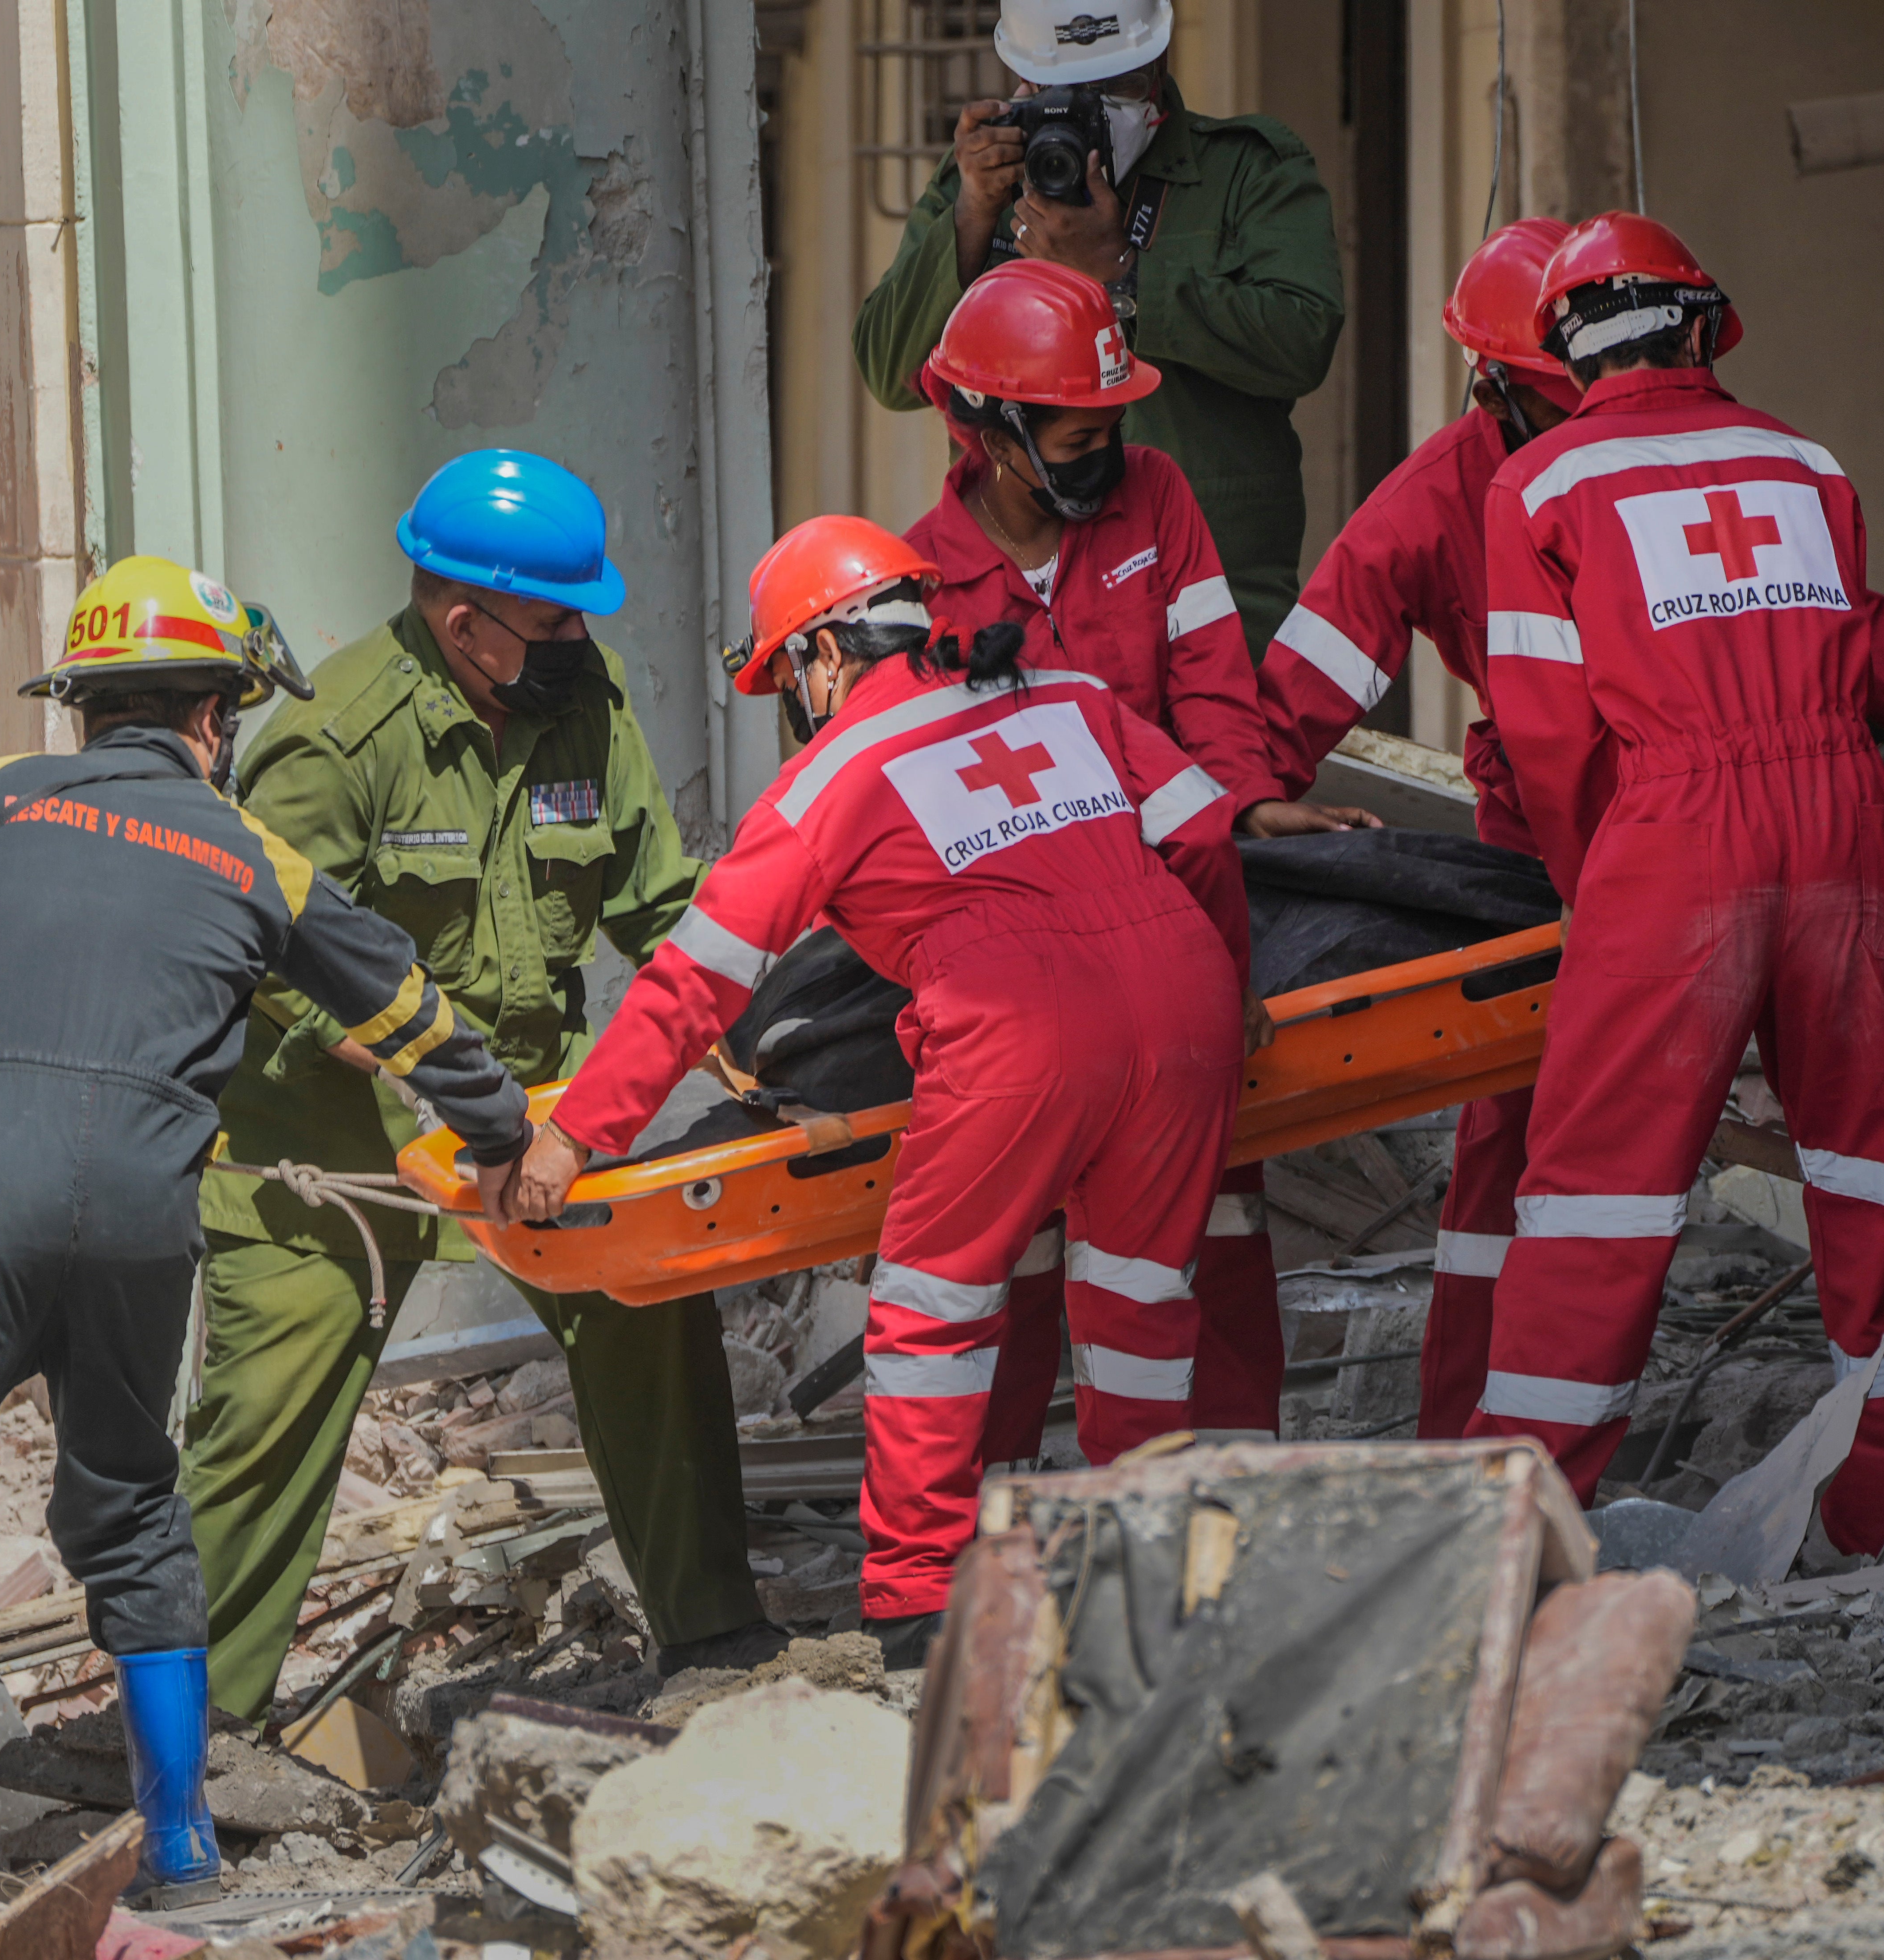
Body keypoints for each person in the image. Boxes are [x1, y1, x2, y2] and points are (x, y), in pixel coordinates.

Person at [0, 556, 532, 1894]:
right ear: (212, 716)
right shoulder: (247, 848)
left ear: (81, 704)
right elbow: (403, 1002)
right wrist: (503, 1136)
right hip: (143, 1210)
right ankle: (182, 1848)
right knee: (133, 1509)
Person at [494, 515, 1251, 1665]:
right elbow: (1200, 829)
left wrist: (574, 1139)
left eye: (784, 681)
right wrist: (1230, 984)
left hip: (1017, 1028)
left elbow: (696, 979)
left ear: (820, 655)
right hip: (1186, 1001)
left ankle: (915, 1604)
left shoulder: (833, 777)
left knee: (931, 1309)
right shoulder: (1065, 695)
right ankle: (1148, 1577)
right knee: (1140, 1297)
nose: (792, 706)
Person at [184, 450, 770, 1719]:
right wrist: (416, 1078)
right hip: (331, 1133)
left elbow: (653, 899)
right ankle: (194, 1730)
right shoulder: (335, 745)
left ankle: (718, 1647)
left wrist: (743, 1021)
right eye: (555, 623)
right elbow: (259, 949)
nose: (579, 643)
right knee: (268, 1415)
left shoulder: (582, 702)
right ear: (466, 626)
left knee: (649, 1311)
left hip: (535, 1110)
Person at [1466, 213, 1884, 1554]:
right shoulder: (1801, 460)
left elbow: (1548, 737)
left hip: (1677, 832)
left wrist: (1604, 894)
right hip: (1841, 820)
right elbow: (1855, 628)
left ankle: (1506, 1531)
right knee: (1860, 1168)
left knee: (1598, 1192)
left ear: (1570, 355)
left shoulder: (1537, 486)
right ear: (1704, 326)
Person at [904, 258, 1353, 1441]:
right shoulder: (924, 590)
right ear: (989, 430)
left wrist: (1246, 805)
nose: (1106, 453)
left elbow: (1210, 683)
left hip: (1176, 908)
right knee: (1014, 1246)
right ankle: (998, 1504)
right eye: (1076, 436)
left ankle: (1230, 1479)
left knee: (1217, 1223)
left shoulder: (1157, 499)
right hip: (1027, 961)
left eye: (1112, 426)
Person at [1245, 217, 1576, 1438]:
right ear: (1493, 388)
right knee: (1509, 1139)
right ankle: (1466, 1437)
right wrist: (1248, 798)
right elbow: (1315, 664)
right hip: (1544, 841)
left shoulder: (1670, 444)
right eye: (1559, 396)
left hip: (1701, 818)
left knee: (1863, 1101)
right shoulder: (1435, 503)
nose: (1588, 413)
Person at [851, 0, 1344, 656]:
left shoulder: (1246, 169)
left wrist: (1123, 277)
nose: (1087, 112)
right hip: (1024, 609)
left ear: (1158, 65)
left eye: (1115, 87)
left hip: (1205, 595)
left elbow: (1303, 340)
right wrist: (970, 217)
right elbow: (889, 371)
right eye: (1060, 91)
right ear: (1021, 82)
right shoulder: (986, 184)